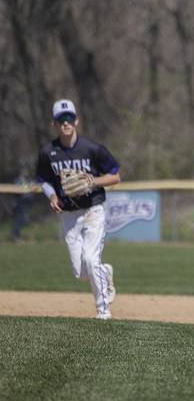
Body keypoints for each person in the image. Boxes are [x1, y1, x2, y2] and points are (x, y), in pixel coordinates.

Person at [36, 99, 121, 320]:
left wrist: (93, 181)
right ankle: (105, 272)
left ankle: (103, 310)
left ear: (77, 120)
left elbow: (116, 176)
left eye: (70, 118)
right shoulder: (48, 153)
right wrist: (51, 195)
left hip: (93, 210)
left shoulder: (92, 149)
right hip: (68, 215)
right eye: (61, 119)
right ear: (54, 123)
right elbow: (43, 179)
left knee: (92, 261)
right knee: (81, 272)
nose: (66, 122)